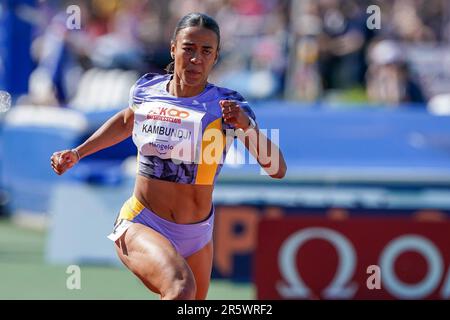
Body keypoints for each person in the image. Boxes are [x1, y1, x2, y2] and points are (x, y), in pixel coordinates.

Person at [50, 12, 287, 300]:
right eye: (188, 48)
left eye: (206, 51)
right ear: (174, 48)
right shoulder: (147, 89)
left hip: (198, 233)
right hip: (143, 221)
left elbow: (276, 169)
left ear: (216, 57)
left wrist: (246, 127)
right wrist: (78, 152)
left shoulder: (228, 105)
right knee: (180, 290)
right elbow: (127, 121)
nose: (196, 58)